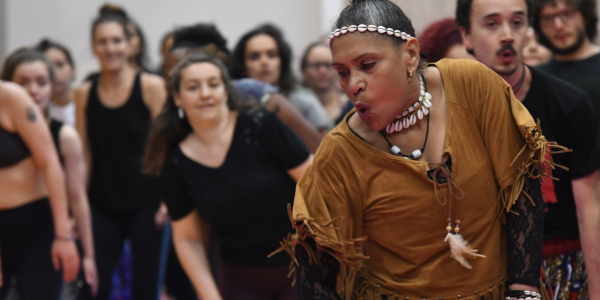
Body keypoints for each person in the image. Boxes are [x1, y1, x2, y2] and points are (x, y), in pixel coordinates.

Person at [270, 0, 562, 299]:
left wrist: (523, 290)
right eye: (342, 72)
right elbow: (315, 271)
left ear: (410, 54)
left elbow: (523, 186)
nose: (353, 84)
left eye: (367, 65)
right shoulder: (340, 152)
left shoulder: (473, 86)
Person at [456, 0, 600, 298]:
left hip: (559, 265)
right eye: (492, 24)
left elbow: (591, 210)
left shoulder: (569, 104)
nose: (507, 35)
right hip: (476, 265)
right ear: (466, 36)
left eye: (518, 22)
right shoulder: (446, 109)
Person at [144, 51, 312, 300]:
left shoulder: (260, 126)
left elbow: (315, 185)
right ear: (177, 98)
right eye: (193, 87)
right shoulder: (176, 164)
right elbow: (188, 239)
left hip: (304, 265)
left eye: (213, 84)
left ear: (225, 90)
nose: (205, 94)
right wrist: (209, 295)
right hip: (240, 275)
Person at [73, 7, 167, 300]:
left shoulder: (151, 86)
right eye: (102, 41)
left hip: (147, 202)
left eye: (116, 40)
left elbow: (166, 147)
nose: (110, 48)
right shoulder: (84, 93)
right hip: (101, 204)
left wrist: (167, 198)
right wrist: (78, 206)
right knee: (93, 286)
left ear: (130, 44)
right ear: (93, 46)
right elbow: (84, 154)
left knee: (144, 287)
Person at [2, 49, 98, 299]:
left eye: (41, 82)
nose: (33, 90)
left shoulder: (11, 98)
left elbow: (55, 171)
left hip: (35, 225)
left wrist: (67, 239)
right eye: (24, 82)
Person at [164, 23, 323, 152]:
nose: (264, 62)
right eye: (168, 71)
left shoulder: (254, 95)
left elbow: (318, 148)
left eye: (272, 55)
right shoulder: (169, 115)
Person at [231, 24, 333, 135]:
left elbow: (328, 148)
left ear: (282, 61)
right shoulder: (231, 105)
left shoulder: (305, 102)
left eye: (271, 55)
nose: (264, 62)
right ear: (242, 66)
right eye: (255, 57)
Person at [531, 0, 600, 130]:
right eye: (548, 18)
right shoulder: (536, 79)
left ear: (585, 17)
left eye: (567, 14)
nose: (558, 26)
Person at [300, 41, 353, 125]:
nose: (322, 71)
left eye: (328, 65)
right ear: (303, 70)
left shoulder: (352, 107)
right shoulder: (294, 108)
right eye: (316, 65)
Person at [35, 39, 77, 126]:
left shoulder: (88, 103)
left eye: (60, 64)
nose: (54, 73)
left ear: (73, 70)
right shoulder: (37, 109)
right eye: (48, 66)